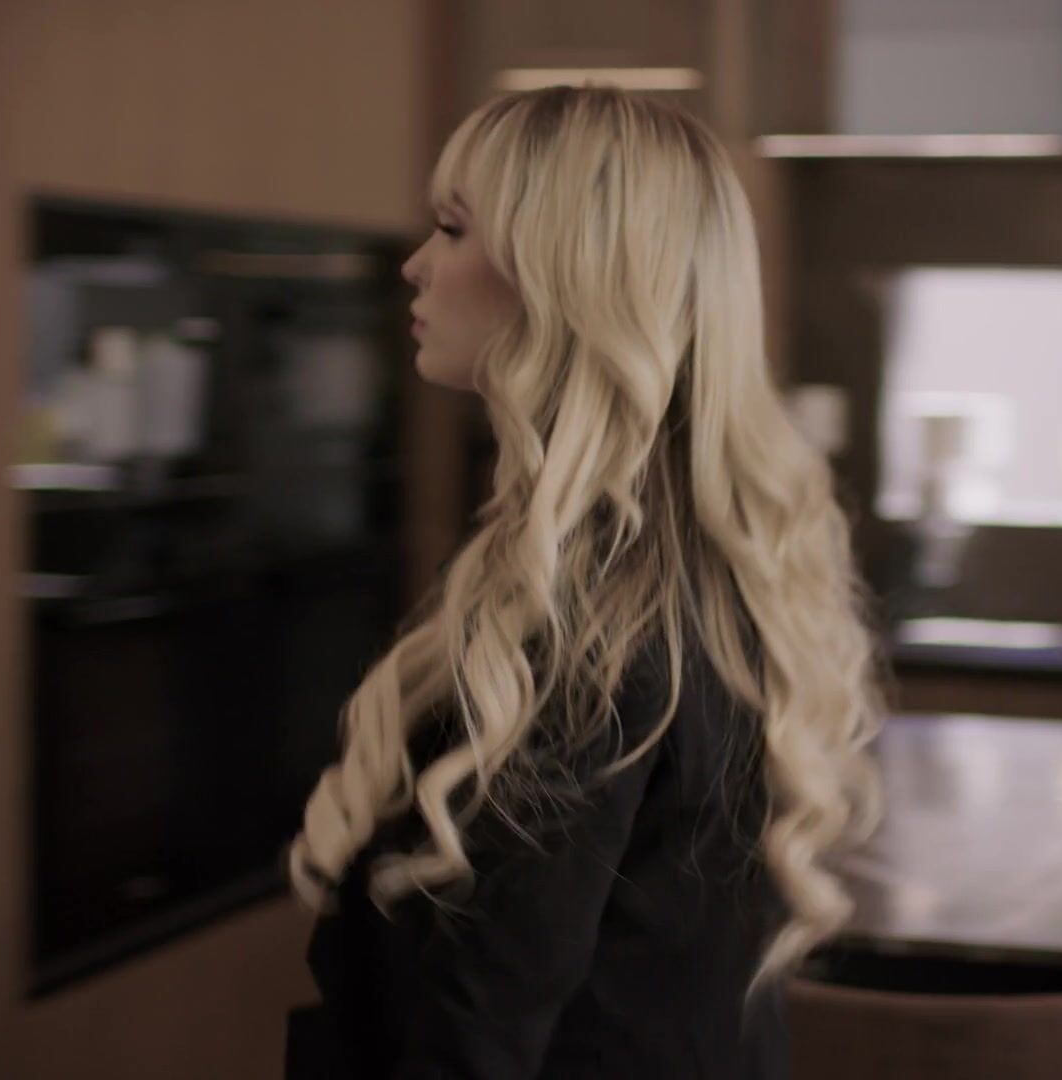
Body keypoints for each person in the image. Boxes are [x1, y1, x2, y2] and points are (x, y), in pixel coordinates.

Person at [284, 85, 885, 1080]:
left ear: (566, 276)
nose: (416, 263)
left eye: (453, 229)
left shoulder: (595, 619)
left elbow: (481, 1027)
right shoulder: (695, 571)